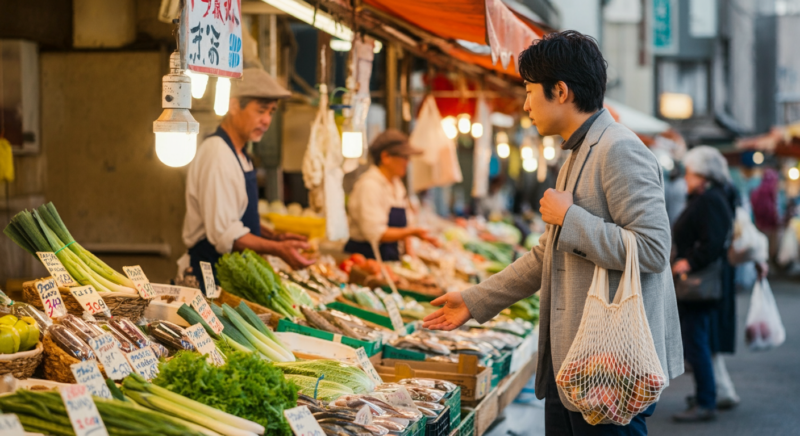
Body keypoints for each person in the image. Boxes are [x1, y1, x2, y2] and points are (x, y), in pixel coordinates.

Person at [423, 31, 683, 436]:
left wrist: (571, 218)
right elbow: (547, 254)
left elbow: (652, 250)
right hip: (576, 367)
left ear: (560, 91)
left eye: (529, 91)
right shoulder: (578, 151)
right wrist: (474, 300)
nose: (525, 104)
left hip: (610, 367)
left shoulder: (618, 148)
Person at [183, 68, 314, 291]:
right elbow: (226, 234)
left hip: (233, 275)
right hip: (211, 278)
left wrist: (275, 237)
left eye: (271, 112)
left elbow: (235, 217)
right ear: (234, 106)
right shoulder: (217, 154)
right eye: (261, 111)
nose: (266, 120)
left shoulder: (242, 155)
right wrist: (278, 250)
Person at [671, 146, 735, 422]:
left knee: (697, 341)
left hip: (699, 285)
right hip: (698, 285)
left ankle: (706, 401)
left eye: (689, 172)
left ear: (703, 175)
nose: (685, 177)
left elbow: (713, 242)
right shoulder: (709, 197)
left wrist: (689, 262)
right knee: (698, 341)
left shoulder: (710, 200)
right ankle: (704, 396)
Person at [345, 129, 437, 261]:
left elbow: (406, 224)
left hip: (389, 259)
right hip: (365, 261)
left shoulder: (397, 184)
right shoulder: (369, 186)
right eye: (404, 157)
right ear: (386, 157)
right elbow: (375, 232)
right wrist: (412, 233)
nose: (408, 162)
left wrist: (412, 257)